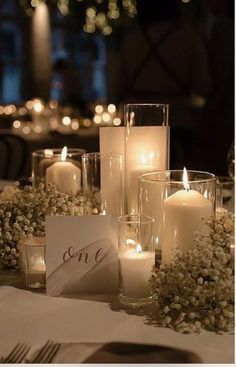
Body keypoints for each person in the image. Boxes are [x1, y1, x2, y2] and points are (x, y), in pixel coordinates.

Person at [111, 0, 212, 169]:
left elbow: (117, 85)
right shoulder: (189, 39)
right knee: (177, 176)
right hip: (178, 120)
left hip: (137, 120)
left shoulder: (131, 41)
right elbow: (203, 85)